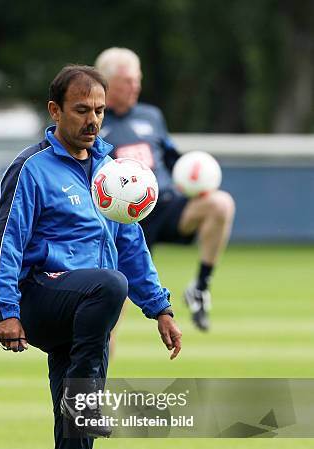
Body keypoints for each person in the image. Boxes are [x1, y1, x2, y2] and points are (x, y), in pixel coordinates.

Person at [0, 65, 182, 449]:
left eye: (98, 110)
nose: (93, 120)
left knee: (78, 428)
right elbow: (6, 242)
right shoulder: (31, 168)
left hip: (88, 313)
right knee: (109, 283)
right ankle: (87, 379)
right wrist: (5, 311)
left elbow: (131, 242)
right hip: (42, 301)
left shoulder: (111, 170)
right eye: (81, 110)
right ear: (55, 111)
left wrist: (159, 307)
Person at [95, 48, 236, 331]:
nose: (135, 87)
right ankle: (95, 375)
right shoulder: (94, 119)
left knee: (220, 204)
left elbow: (173, 159)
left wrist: (196, 179)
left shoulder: (151, 116)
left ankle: (200, 287)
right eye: (127, 81)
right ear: (107, 84)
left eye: (138, 79)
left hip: (163, 205)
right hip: (121, 220)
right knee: (108, 317)